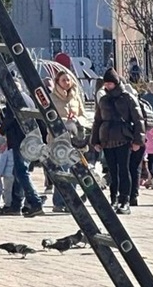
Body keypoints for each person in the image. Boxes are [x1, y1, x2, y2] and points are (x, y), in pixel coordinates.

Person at [91, 68, 145, 214]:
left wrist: (138, 141)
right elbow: (97, 120)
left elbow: (138, 120)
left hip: (123, 138)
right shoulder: (103, 99)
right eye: (106, 84)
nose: (107, 86)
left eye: (110, 83)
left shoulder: (127, 98)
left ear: (116, 83)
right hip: (107, 139)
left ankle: (125, 200)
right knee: (112, 171)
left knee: (123, 169)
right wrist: (95, 140)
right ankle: (113, 198)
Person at [49, 66, 90, 211]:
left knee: (75, 169)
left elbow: (83, 114)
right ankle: (59, 202)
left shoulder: (76, 96)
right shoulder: (52, 97)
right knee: (62, 170)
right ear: (57, 82)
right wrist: (64, 120)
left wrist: (77, 119)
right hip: (59, 138)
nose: (66, 82)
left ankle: (71, 202)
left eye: (68, 80)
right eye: (63, 80)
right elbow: (48, 118)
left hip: (75, 138)